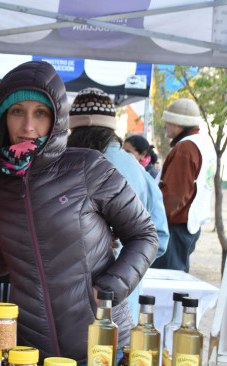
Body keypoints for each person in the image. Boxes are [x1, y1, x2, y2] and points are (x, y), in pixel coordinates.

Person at [0, 61, 158, 366]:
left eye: (40, 113)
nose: (28, 126)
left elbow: (145, 234)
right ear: (2, 117)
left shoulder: (87, 166)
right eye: (17, 111)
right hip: (32, 356)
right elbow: (1, 262)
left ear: (57, 116)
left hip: (102, 347)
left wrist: (111, 288)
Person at [66, 87, 169, 322]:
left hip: (71, 301)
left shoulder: (65, 166)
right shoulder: (137, 170)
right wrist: (126, 261)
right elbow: (160, 239)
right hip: (124, 300)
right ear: (112, 128)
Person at [151, 98, 216, 272]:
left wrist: (153, 220)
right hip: (187, 226)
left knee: (165, 283)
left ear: (180, 124)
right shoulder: (203, 143)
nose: (165, 125)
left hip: (174, 227)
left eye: (168, 121)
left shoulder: (186, 149)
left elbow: (174, 197)